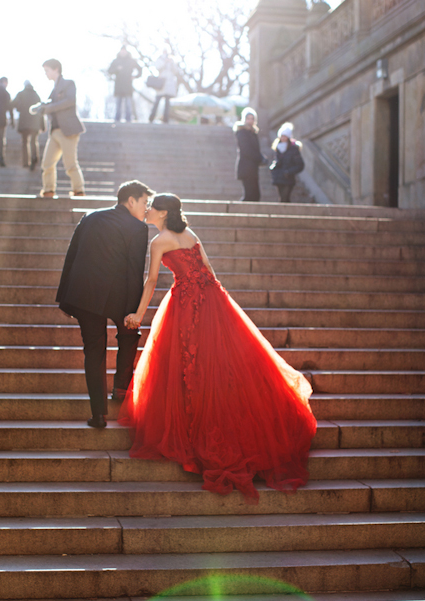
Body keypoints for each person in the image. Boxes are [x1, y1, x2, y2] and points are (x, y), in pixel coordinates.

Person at [121, 193, 317, 503]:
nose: (146, 211)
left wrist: (139, 314)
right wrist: (220, 304)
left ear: (162, 213)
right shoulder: (190, 233)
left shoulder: (159, 242)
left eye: (151, 208)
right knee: (215, 361)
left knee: (190, 362)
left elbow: (152, 280)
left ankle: (192, 429)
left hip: (186, 304)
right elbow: (209, 268)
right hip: (210, 298)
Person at [56, 180, 154, 428]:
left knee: (94, 351)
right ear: (130, 201)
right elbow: (135, 270)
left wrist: (66, 299)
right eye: (144, 202)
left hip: (85, 295)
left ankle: (98, 414)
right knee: (129, 336)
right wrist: (133, 312)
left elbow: (72, 257)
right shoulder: (138, 228)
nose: (146, 208)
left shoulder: (90, 217)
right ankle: (120, 388)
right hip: (120, 295)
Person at [30, 59, 86, 198]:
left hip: (68, 130)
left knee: (70, 163)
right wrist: (42, 107)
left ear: (56, 69)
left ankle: (78, 191)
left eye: (47, 70)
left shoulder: (68, 83)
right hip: (54, 131)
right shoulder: (54, 89)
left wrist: (48, 108)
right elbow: (51, 104)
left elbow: (70, 101)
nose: (46, 74)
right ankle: (48, 190)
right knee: (47, 163)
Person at [233, 107, 268, 201]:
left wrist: (262, 158)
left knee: (256, 195)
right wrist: (259, 158)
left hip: (253, 168)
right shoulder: (242, 132)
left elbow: (255, 150)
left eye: (252, 118)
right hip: (246, 168)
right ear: (244, 119)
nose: (250, 121)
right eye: (248, 118)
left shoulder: (253, 133)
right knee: (249, 195)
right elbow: (246, 150)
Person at [12, 81, 44, 170]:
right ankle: (34, 157)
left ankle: (26, 162)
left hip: (24, 122)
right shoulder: (36, 95)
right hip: (35, 123)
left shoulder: (21, 94)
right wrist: (42, 125)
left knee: (25, 142)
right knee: (34, 141)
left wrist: (19, 108)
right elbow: (41, 109)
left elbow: (13, 104)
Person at [270, 122, 305, 203]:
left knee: (285, 198)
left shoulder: (293, 149)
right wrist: (273, 167)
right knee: (282, 198)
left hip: (288, 178)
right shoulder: (277, 148)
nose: (283, 138)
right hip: (278, 177)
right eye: (281, 136)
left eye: (285, 136)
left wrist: (289, 172)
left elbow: (300, 165)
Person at [108, 46, 142, 123]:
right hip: (118, 85)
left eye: (124, 51)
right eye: (122, 51)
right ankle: (117, 119)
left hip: (128, 86)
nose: (123, 52)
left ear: (126, 52)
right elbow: (109, 71)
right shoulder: (116, 61)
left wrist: (135, 76)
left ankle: (128, 119)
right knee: (118, 105)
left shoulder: (131, 61)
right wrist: (117, 69)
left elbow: (140, 69)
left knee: (128, 104)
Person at [148, 48, 178, 124]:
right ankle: (151, 117)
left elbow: (176, 71)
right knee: (157, 101)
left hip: (169, 84)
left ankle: (166, 118)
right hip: (161, 83)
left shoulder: (172, 60)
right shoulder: (160, 59)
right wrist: (165, 62)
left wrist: (171, 63)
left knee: (167, 102)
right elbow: (157, 67)